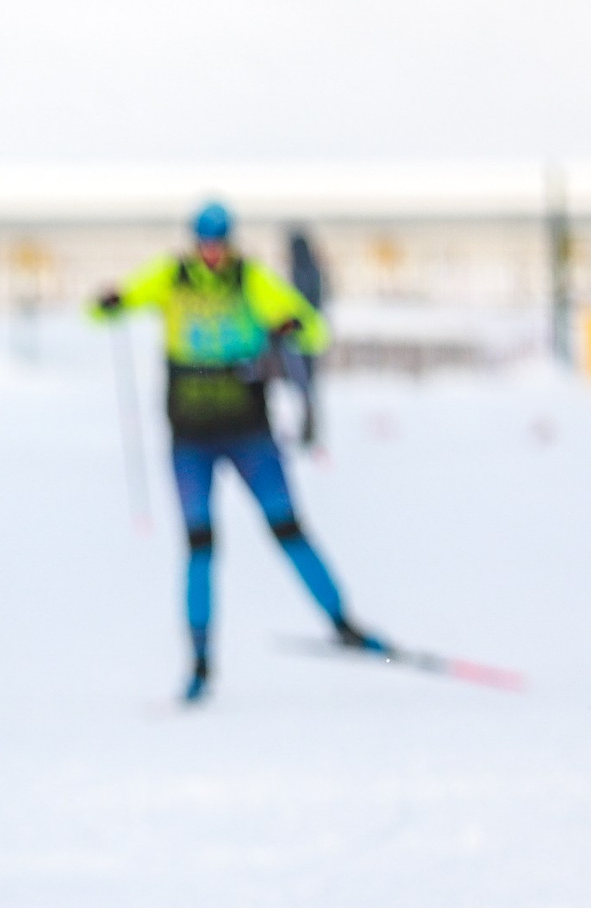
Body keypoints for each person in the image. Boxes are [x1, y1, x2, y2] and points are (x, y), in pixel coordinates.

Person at [93, 203, 383, 702]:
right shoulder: (171, 276)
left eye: (219, 242)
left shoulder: (251, 278)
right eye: (205, 242)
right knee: (201, 544)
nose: (211, 252)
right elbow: (104, 309)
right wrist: (112, 300)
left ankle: (343, 622)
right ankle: (200, 663)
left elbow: (313, 327)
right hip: (191, 439)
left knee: (288, 528)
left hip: (250, 433)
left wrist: (289, 326)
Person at [284, 226, 328, 449]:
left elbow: (301, 304)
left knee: (303, 387)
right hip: (313, 334)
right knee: (307, 387)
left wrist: (286, 326)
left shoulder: (302, 271)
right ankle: (309, 430)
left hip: (302, 336)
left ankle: (308, 431)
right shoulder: (316, 269)